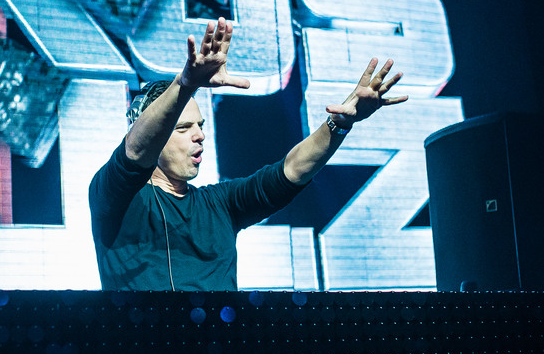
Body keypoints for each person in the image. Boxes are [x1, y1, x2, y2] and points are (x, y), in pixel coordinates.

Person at [89, 17, 406, 291]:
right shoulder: (114, 197)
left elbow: (291, 171)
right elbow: (135, 152)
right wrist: (185, 86)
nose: (200, 135)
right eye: (184, 128)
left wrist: (339, 124)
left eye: (200, 126)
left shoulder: (220, 204)